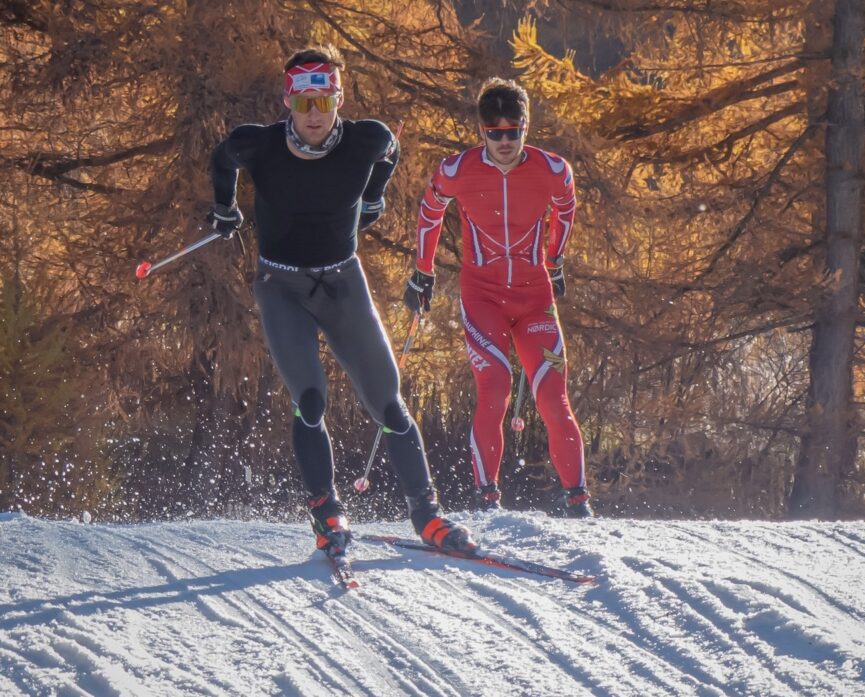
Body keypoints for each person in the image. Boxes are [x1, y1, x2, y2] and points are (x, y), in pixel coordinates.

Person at [207, 46, 476, 564]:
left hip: (343, 283)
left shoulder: (365, 140)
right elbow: (222, 159)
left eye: (323, 101)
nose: (314, 114)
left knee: (389, 403)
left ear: (338, 99)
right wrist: (224, 210)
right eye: (304, 102)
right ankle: (327, 513)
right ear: (288, 101)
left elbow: (390, 151)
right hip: (281, 285)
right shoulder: (257, 145)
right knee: (311, 399)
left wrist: (373, 198)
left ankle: (428, 516)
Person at [404, 77, 594, 517]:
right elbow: (430, 211)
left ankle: (579, 503)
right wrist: (422, 271)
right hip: (482, 296)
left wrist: (556, 260)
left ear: (526, 127)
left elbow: (566, 208)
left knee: (553, 397)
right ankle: (487, 498)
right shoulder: (457, 170)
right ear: (481, 131)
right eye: (495, 134)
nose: (505, 142)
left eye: (513, 132)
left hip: (534, 299)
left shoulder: (552, 170)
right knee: (495, 387)